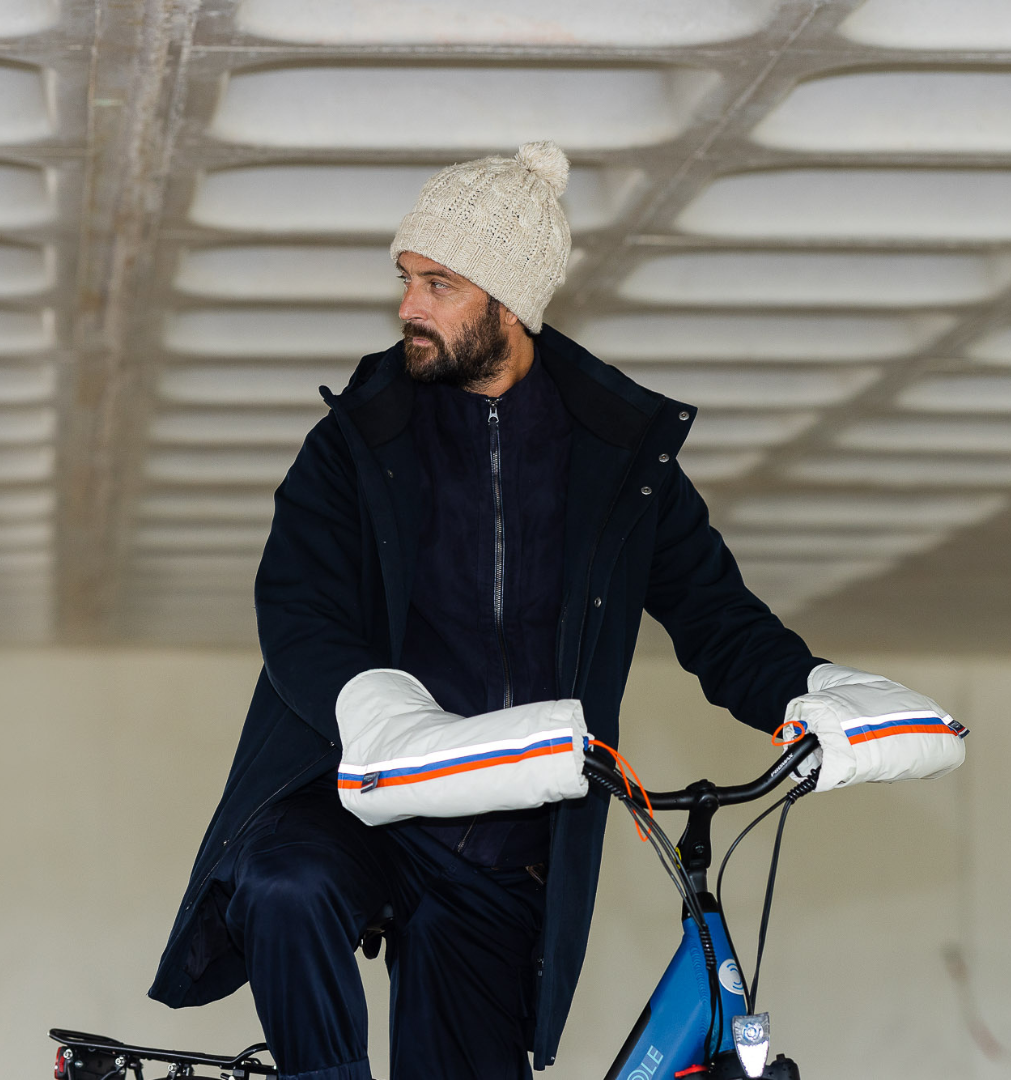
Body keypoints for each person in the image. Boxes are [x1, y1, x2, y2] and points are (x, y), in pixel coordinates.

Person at [149, 142, 966, 1080]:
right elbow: (298, 612)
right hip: (358, 797)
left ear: (510, 301)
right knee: (284, 884)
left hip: (501, 843)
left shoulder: (621, 466)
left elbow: (717, 621)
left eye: (440, 284)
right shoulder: (355, 444)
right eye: (407, 278)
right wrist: (382, 712)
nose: (409, 306)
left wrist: (816, 690)